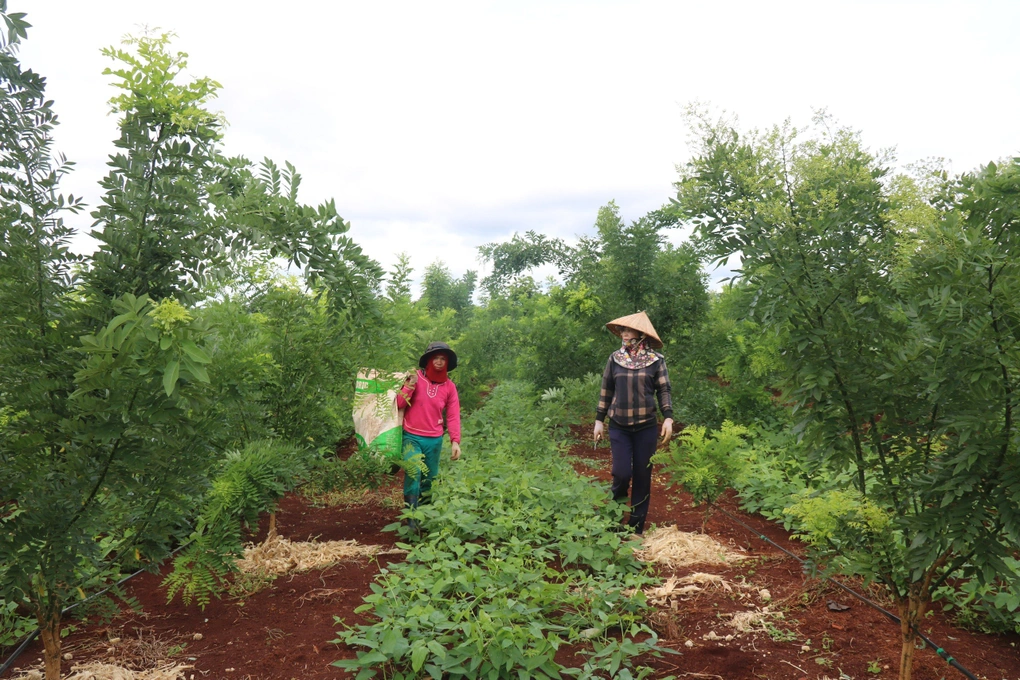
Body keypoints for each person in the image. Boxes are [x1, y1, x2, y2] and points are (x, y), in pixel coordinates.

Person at [592, 311, 673, 535]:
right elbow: (606, 389)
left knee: (642, 476)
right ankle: (614, 520)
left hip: (646, 427)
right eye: (622, 330)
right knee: (621, 473)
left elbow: (664, 389)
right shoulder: (614, 359)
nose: (623, 333)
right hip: (619, 425)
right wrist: (599, 420)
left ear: (640, 334)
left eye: (628, 330)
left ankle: (635, 529)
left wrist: (667, 416)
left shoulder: (656, 361)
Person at [396, 342, 462, 514]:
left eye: (443, 359)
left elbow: (453, 415)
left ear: (447, 363)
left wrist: (455, 441)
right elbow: (399, 403)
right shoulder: (415, 378)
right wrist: (409, 386)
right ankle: (410, 518)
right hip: (411, 435)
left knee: (429, 479)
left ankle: (424, 517)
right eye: (435, 358)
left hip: (434, 440)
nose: (439, 362)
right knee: (413, 471)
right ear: (428, 360)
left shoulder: (449, 387)